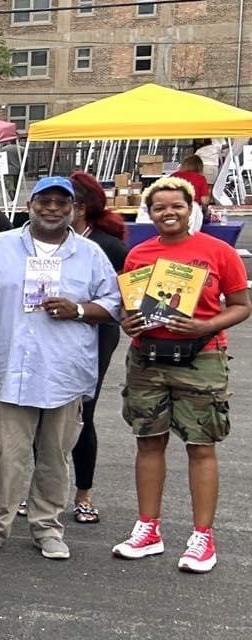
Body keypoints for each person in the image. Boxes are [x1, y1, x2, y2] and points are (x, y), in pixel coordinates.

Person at [0, 176, 121, 562]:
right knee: (6, 457)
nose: (53, 208)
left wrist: (79, 309)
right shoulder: (0, 247)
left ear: (74, 209)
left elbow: (115, 304)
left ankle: (47, 528)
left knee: (54, 457)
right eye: (45, 201)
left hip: (64, 373)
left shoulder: (89, 254)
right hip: (11, 370)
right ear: (31, 204)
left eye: (61, 203)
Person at [111, 177, 249, 574]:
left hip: (201, 356)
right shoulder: (139, 254)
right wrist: (129, 322)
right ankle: (148, 528)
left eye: (177, 206)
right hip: (147, 356)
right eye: (159, 208)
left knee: (201, 445)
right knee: (148, 441)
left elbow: (241, 305)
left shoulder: (218, 251)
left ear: (191, 209)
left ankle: (203, 536)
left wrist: (205, 326)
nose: (168, 213)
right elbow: (128, 309)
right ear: (149, 213)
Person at [66, 171, 130, 524]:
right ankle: (40, 489)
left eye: (69, 202)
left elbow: (126, 300)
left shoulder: (109, 245)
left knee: (82, 413)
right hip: (50, 332)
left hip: (96, 334)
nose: (60, 208)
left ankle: (83, 493)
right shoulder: (41, 241)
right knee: (40, 413)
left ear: (84, 207)